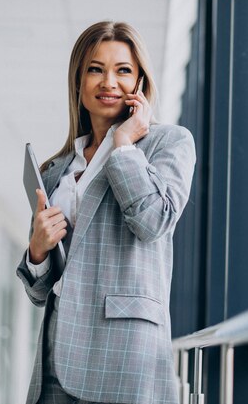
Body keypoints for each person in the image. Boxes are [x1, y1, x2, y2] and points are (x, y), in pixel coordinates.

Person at [16, 20, 196, 404]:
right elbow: (39, 290)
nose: (108, 82)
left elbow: (153, 221)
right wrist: (37, 250)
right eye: (95, 69)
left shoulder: (170, 143)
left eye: (123, 70)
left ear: (140, 84)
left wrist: (124, 145)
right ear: (78, 82)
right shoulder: (56, 169)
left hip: (124, 355)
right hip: (57, 354)